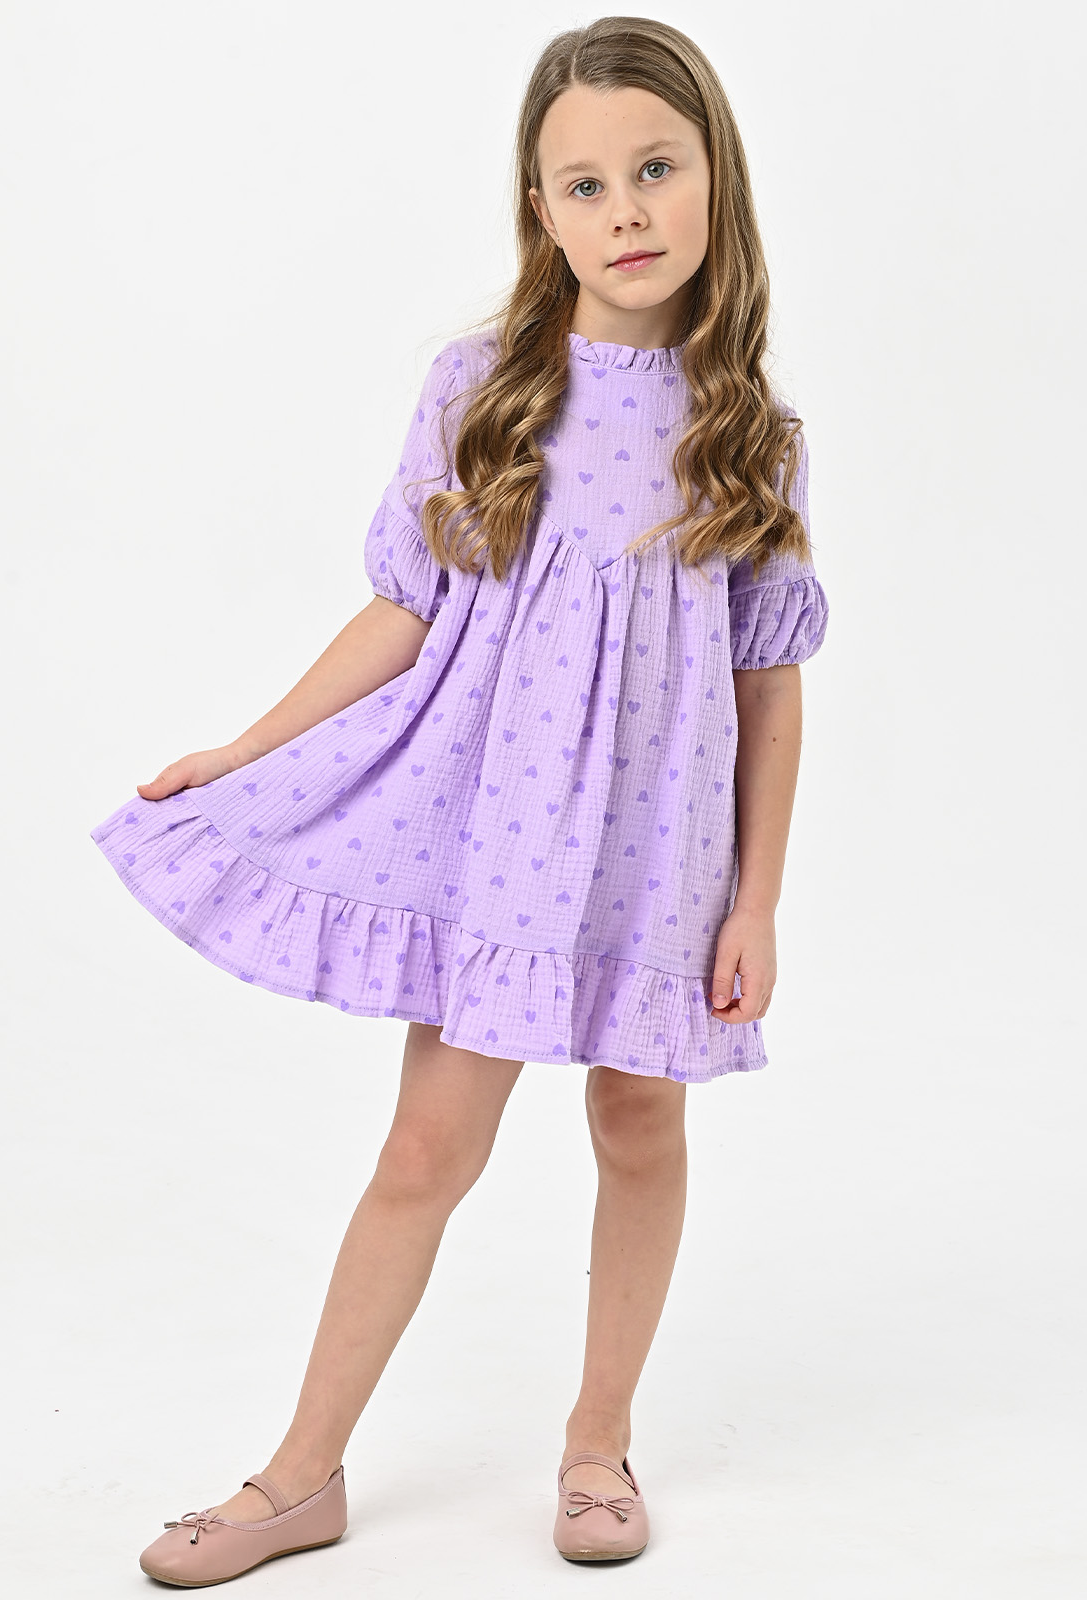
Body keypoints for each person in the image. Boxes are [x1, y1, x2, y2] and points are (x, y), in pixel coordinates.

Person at [90, 15, 831, 1584]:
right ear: (541, 211)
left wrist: (757, 899)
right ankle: (298, 1475)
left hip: (658, 847)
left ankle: (597, 1445)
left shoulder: (750, 436)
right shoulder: (487, 387)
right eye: (586, 185)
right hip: (499, 831)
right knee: (428, 1148)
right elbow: (404, 609)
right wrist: (247, 745)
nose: (626, 211)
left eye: (655, 169)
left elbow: (769, 685)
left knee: (638, 1118)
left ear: (715, 175)